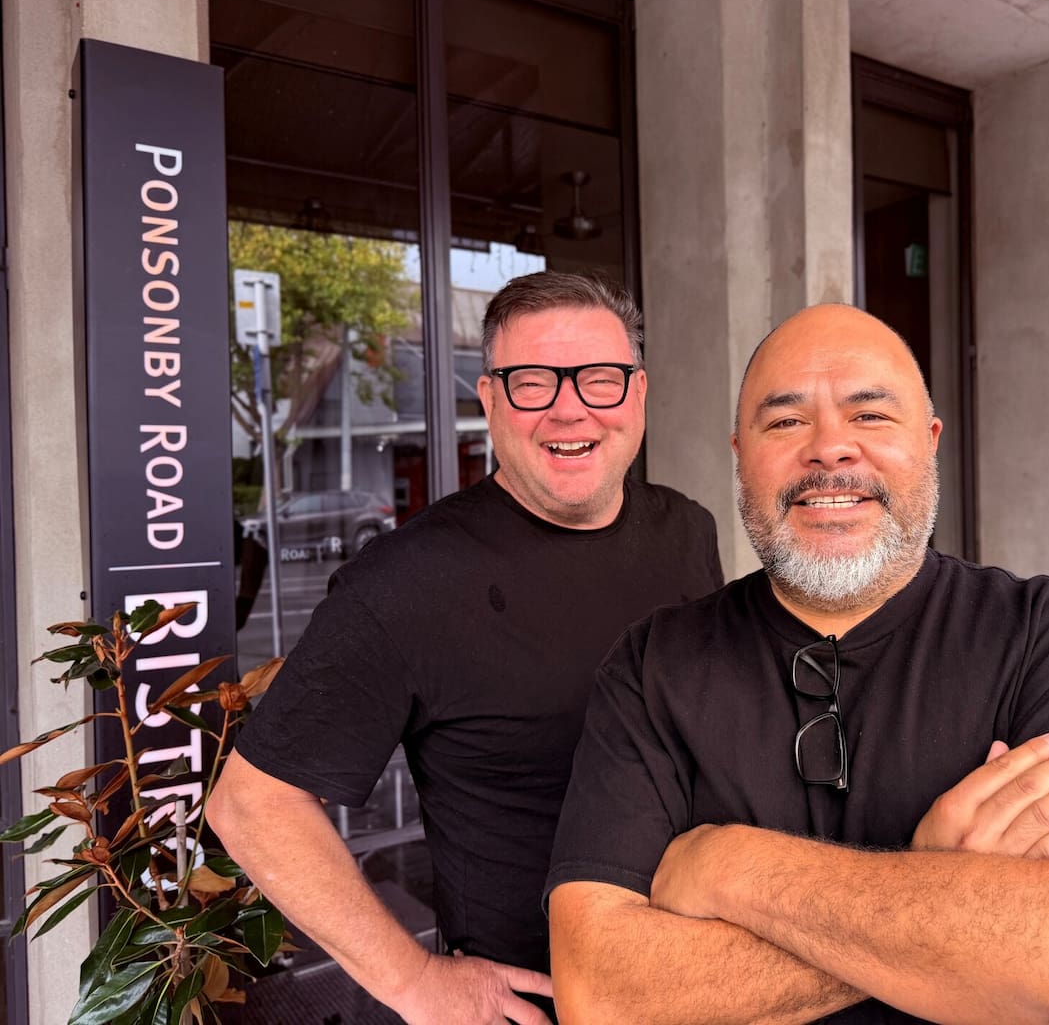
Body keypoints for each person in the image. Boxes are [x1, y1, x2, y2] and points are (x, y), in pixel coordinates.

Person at [545, 304, 1049, 1024]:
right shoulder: (653, 666)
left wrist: (730, 867)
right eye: (785, 422)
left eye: (870, 416)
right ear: (740, 453)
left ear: (930, 442)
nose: (830, 450)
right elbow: (603, 994)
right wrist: (946, 893)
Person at [209, 271, 724, 1025]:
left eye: (600, 380)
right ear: (489, 400)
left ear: (638, 394)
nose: (569, 407)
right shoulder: (408, 581)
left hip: (710, 979)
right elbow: (253, 805)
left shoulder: (689, 531)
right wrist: (413, 981)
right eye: (532, 383)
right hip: (545, 1006)